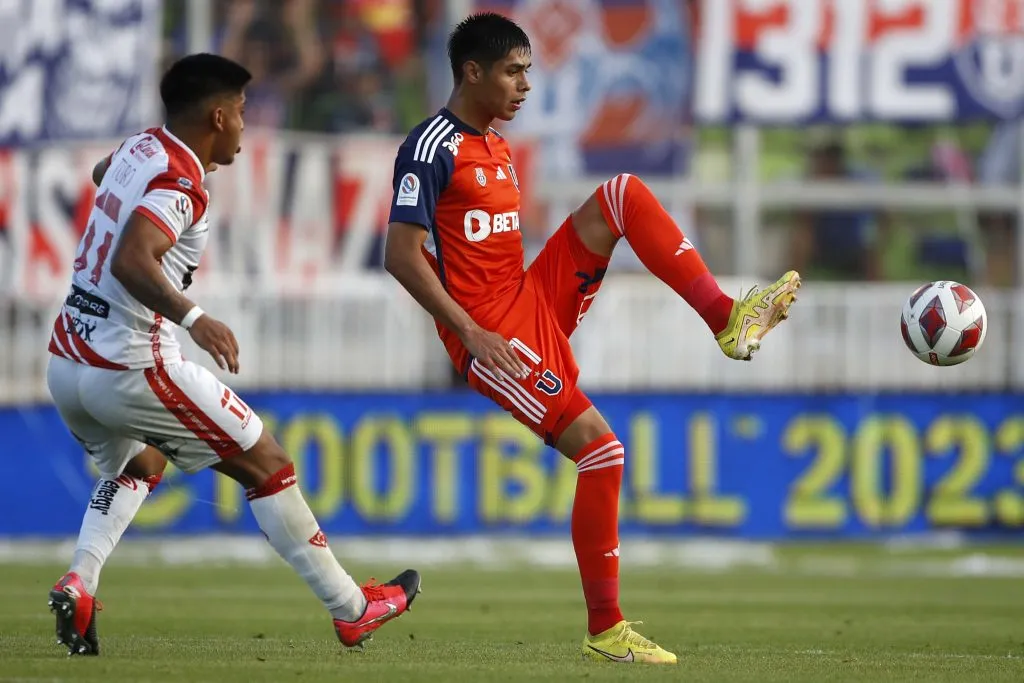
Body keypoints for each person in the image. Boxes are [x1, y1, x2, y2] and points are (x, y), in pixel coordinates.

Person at [383, 13, 799, 664]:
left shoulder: (496, 145)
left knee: (621, 195)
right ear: (472, 72)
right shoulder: (431, 146)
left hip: (527, 296)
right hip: (491, 333)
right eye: (513, 72)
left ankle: (725, 317)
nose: (526, 85)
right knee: (602, 453)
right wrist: (468, 330)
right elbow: (400, 255)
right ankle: (606, 629)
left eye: (528, 71)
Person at [45, 53, 419, 657]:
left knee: (141, 462)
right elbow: (132, 258)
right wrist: (196, 319)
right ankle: (353, 609)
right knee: (267, 463)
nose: (248, 124)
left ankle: (80, 582)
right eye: (242, 112)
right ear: (218, 117)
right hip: (131, 366)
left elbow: (101, 171)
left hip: (68, 363)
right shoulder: (180, 183)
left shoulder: (141, 147)